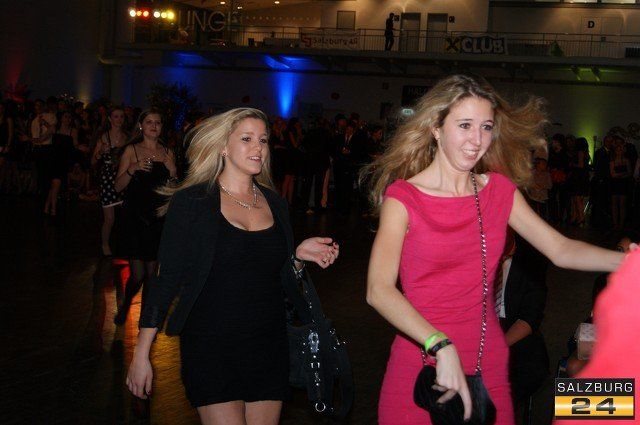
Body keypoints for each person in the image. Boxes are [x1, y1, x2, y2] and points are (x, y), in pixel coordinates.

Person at [363, 74, 633, 424]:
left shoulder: (499, 192)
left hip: (484, 361)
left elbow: (561, 249)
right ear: (436, 128)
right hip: (420, 360)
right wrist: (438, 343)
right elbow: (378, 290)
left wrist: (628, 260)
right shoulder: (404, 198)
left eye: (486, 127)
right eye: (464, 125)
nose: (477, 140)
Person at [125, 108, 339, 424]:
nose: (258, 148)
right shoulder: (193, 202)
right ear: (223, 146)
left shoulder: (275, 203)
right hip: (211, 343)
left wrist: (295, 257)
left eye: (263, 140)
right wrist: (142, 353)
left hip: (267, 342)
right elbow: (166, 279)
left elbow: (275, 278)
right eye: (247, 139)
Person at [113, 109, 177, 325]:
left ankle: (146, 321)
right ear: (141, 125)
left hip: (157, 219)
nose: (154, 126)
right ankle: (126, 304)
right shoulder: (132, 150)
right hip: (135, 218)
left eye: (158, 122)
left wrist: (173, 171)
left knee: (152, 275)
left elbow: (174, 190)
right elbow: (118, 186)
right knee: (138, 274)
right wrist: (132, 168)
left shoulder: (167, 152)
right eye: (149, 122)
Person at [92, 107, 127, 256]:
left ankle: (121, 243)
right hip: (107, 178)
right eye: (116, 116)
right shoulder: (104, 137)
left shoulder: (127, 137)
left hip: (123, 176)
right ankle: (105, 244)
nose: (119, 119)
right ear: (110, 119)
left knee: (124, 216)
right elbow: (93, 161)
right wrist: (100, 152)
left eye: (121, 116)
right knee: (109, 218)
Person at [610, 139, 632, 230]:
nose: (619, 151)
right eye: (617, 150)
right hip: (615, 184)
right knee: (614, 205)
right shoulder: (612, 161)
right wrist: (623, 174)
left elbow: (630, 173)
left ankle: (621, 224)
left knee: (622, 205)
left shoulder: (626, 160)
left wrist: (618, 175)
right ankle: (615, 224)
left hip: (623, 184)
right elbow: (612, 174)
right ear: (615, 151)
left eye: (620, 150)